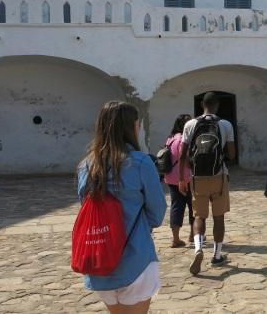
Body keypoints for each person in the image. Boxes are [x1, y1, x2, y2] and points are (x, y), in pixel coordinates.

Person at [77, 101, 167, 313]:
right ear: (132, 127)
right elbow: (157, 212)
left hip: (99, 258)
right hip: (135, 256)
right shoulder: (141, 163)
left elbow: (86, 207)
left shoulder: (87, 166)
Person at [179, 92, 236, 275]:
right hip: (218, 176)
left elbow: (182, 154)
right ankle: (217, 255)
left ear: (202, 104)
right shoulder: (225, 124)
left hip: (197, 177)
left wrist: (182, 178)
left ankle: (198, 248)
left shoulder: (190, 124)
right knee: (218, 217)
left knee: (199, 216)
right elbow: (232, 154)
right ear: (217, 105)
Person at [164, 114, 193, 248]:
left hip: (170, 177)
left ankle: (175, 238)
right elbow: (184, 159)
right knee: (193, 205)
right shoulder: (183, 140)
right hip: (185, 177)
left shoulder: (170, 139)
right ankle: (193, 234)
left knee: (176, 206)